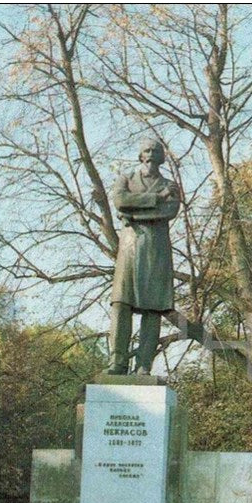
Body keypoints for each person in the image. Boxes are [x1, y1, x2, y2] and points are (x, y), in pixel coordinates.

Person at [108, 138, 180, 374]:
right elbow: (120, 201)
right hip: (129, 249)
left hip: (156, 250)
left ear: (162, 157)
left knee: (152, 308)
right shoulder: (126, 179)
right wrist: (156, 199)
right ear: (140, 155)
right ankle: (117, 362)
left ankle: (143, 364)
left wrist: (132, 215)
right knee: (120, 303)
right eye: (146, 151)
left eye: (155, 151)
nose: (150, 155)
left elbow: (169, 211)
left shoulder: (170, 184)